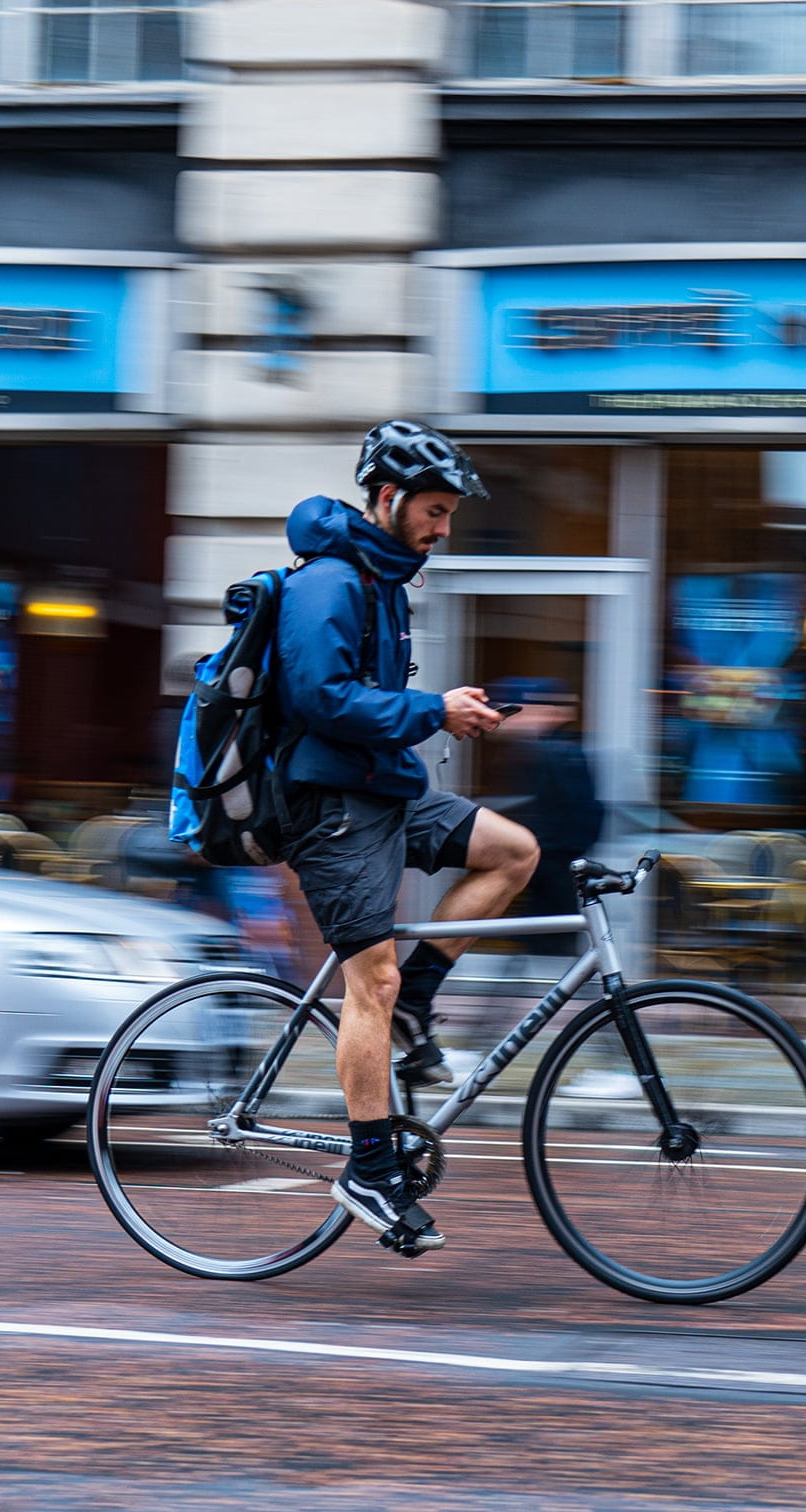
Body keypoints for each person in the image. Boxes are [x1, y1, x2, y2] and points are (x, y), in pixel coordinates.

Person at [275, 420, 540, 1255]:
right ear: (387, 499)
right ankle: (370, 1168)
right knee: (370, 984)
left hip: (384, 792)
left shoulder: (386, 579)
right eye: (433, 509)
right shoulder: (330, 582)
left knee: (515, 851)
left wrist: (446, 708)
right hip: (328, 808)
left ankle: (420, 1007)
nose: (443, 528)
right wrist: (433, 710)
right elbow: (321, 700)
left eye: (449, 513)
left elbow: (369, 705)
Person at [493, 678, 605, 954]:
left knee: (547, 941)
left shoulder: (556, 754)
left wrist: (539, 854)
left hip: (554, 869)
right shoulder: (544, 751)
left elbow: (573, 815)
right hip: (552, 866)